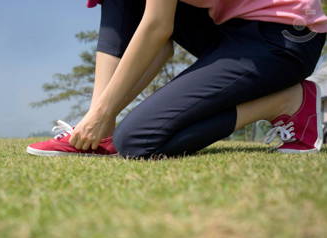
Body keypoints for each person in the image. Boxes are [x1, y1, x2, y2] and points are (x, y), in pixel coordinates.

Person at [27, 0, 327, 158]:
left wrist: (104, 112)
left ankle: (287, 102)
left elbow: (157, 27)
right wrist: (98, 114)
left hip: (283, 38)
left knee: (137, 142)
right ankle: (98, 128)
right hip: (232, 31)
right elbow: (158, 44)